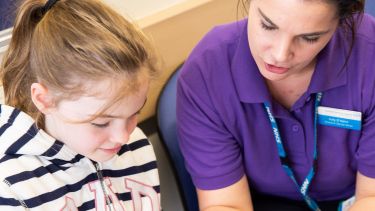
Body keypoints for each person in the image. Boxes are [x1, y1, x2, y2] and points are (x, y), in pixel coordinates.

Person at [176, 0, 375, 210]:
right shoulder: (206, 73)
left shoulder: (369, 57)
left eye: (309, 38)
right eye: (268, 26)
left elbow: (371, 197)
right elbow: (225, 204)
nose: (280, 55)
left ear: (341, 22)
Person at [0, 0, 161, 210]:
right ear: (44, 100)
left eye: (134, 113)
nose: (124, 136)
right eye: (101, 123)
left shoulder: (136, 146)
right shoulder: (11, 183)